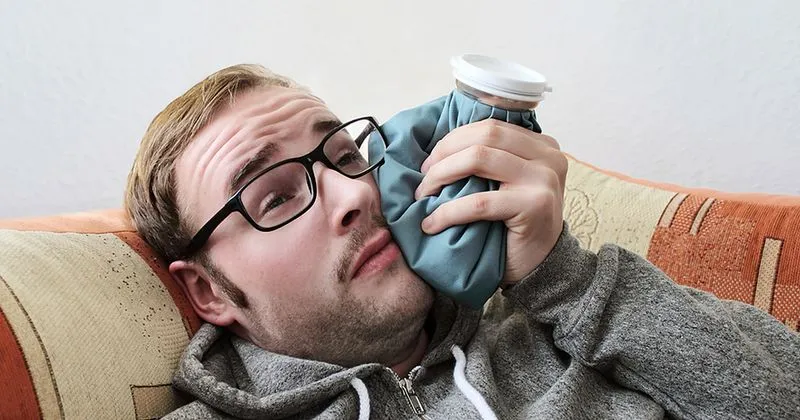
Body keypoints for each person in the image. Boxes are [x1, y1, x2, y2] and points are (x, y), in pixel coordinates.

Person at [125, 64, 799, 419]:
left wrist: (567, 281)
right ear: (209, 291)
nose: (356, 194)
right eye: (275, 197)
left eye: (345, 155)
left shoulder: (573, 322)